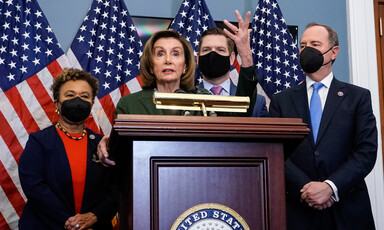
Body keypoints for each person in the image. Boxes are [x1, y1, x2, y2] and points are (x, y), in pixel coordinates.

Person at [97, 12, 259, 167]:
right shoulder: (129, 104)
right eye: (160, 54)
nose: (168, 60)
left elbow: (239, 117)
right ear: (151, 64)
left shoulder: (203, 98)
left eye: (175, 54)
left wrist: (245, 54)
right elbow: (118, 156)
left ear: (186, 64)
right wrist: (107, 146)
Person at [269, 23, 377, 230]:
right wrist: (308, 190)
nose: (306, 50)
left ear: (333, 52)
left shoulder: (358, 97)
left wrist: (330, 187)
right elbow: (276, 152)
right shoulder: (280, 101)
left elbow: (366, 151)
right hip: (297, 211)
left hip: (348, 210)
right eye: (302, 45)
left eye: (315, 44)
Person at [18, 68, 119, 230]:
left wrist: (94, 216)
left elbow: (116, 189)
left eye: (84, 96)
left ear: (92, 103)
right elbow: (34, 187)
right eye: (70, 95)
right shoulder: (39, 142)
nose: (77, 100)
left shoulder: (103, 145)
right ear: (57, 102)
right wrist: (71, 223)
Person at [196, 10, 268, 117]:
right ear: (198, 59)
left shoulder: (257, 102)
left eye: (220, 50)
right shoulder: (183, 98)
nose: (213, 54)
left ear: (231, 58)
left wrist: (245, 54)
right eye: (206, 50)